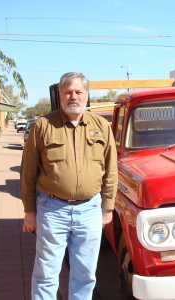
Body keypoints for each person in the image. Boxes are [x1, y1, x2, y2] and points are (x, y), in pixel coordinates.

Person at [21, 72, 117, 300]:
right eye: (68, 92)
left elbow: (111, 170)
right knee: (46, 273)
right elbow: (28, 173)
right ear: (61, 95)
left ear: (86, 95)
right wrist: (29, 212)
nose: (73, 96)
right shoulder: (43, 126)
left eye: (78, 92)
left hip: (90, 209)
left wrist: (107, 208)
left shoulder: (102, 126)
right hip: (51, 209)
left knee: (85, 274)